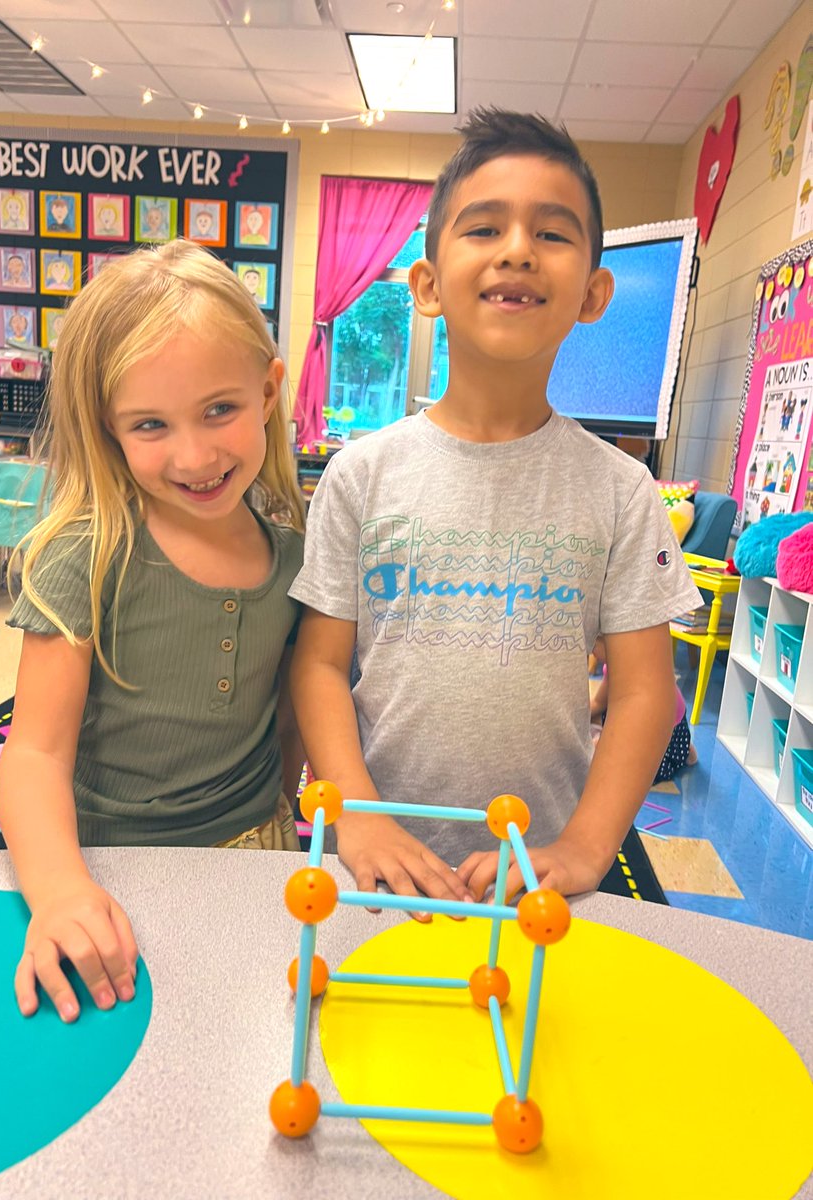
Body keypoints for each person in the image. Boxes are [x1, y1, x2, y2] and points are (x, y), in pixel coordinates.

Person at [288, 108, 702, 914]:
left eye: (552, 234)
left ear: (592, 292)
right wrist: (358, 819)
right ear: (428, 284)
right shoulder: (362, 473)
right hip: (374, 865)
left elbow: (646, 693)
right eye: (484, 228)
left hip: (538, 875)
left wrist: (585, 845)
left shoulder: (622, 490)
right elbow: (319, 665)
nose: (517, 248)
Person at [0, 239, 306, 1023]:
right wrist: (62, 889)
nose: (195, 455)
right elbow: (32, 754)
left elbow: (291, 715)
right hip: (103, 859)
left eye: (220, 410)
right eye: (150, 425)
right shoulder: (86, 557)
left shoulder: (294, 554)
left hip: (253, 853)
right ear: (108, 428)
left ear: (268, 393)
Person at [589, 638, 697, 780]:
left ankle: (681, 751)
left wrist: (602, 744)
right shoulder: (621, 663)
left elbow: (637, 726)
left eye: (595, 644)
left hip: (662, 732)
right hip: (662, 725)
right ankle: (683, 747)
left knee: (624, 772)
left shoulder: (633, 672)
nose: (591, 650)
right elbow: (599, 703)